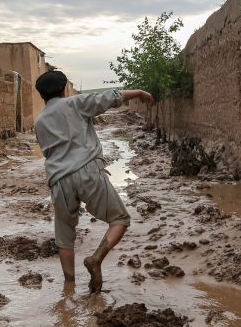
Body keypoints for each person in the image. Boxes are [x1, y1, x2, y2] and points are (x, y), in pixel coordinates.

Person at [33, 69, 154, 292]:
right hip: (88, 172)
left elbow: (50, 153)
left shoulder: (39, 122)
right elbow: (109, 97)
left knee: (64, 237)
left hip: (59, 180)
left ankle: (69, 287)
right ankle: (96, 258)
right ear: (64, 89)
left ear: (41, 95)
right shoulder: (75, 103)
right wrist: (137, 91)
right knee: (120, 219)